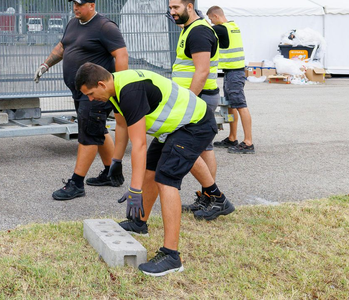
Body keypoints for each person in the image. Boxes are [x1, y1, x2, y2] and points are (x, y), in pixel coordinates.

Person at [76, 63, 235, 276]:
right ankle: (139, 222)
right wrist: (116, 161)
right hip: (174, 127)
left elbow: (139, 144)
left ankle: (171, 256)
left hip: (195, 124)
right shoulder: (114, 89)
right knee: (151, 169)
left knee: (166, 178)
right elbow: (123, 126)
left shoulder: (129, 91)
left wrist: (134, 190)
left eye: (91, 94)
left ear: (101, 84)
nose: (91, 99)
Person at [34, 0, 129, 200]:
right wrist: (45, 64)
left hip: (97, 92)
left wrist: (121, 85)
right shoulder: (73, 23)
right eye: (74, 4)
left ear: (91, 6)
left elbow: (121, 55)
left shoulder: (105, 26)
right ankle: (111, 173)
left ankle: (76, 183)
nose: (75, 7)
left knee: (88, 134)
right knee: (97, 130)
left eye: (80, 4)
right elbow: (62, 46)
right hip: (80, 90)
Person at [168, 0, 232, 217]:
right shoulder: (190, 29)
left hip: (199, 98)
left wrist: (188, 101)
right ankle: (208, 197)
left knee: (187, 147)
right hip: (199, 97)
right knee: (204, 147)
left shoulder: (198, 33)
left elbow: (202, 71)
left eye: (176, 7)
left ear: (189, 6)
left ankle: (215, 198)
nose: (172, 12)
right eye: (170, 8)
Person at [207, 6, 254, 154]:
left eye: (211, 19)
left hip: (234, 73)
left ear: (215, 16)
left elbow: (204, 30)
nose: (211, 21)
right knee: (232, 105)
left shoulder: (222, 29)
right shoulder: (233, 26)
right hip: (232, 72)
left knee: (240, 104)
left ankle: (248, 142)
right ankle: (232, 137)